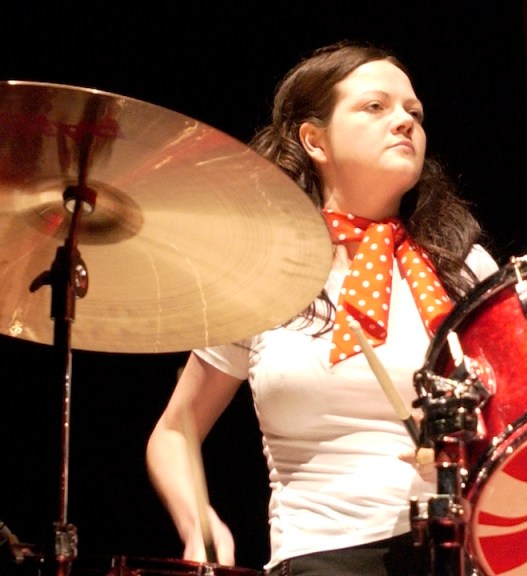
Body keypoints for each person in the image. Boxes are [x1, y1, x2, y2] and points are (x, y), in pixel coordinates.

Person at [145, 40, 499, 576]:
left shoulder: (465, 266)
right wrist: (200, 522)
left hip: (464, 542)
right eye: (375, 107)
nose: (404, 122)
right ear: (314, 140)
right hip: (322, 551)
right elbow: (175, 431)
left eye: (414, 112)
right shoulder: (265, 272)